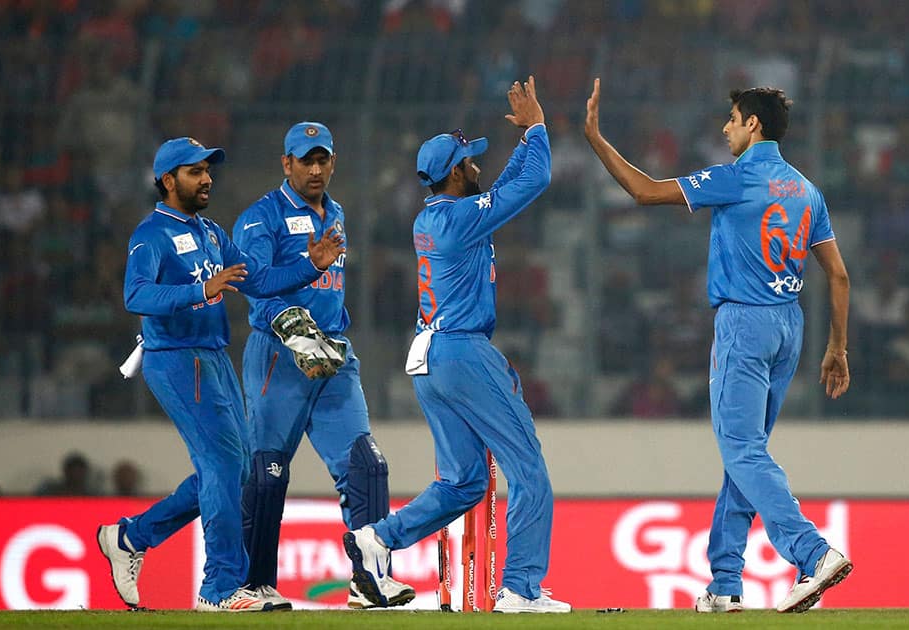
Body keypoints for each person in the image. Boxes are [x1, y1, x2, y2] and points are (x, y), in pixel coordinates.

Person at [584, 79, 853, 614]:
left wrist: (594, 137)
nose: (724, 127)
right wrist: (838, 347)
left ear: (753, 125)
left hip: (744, 324)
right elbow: (839, 277)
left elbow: (644, 190)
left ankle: (813, 552)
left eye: (732, 118)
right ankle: (726, 582)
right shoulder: (806, 190)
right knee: (744, 455)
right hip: (790, 328)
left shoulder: (735, 179)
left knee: (743, 450)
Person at [343, 76, 570, 614]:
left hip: (431, 355)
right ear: (453, 173)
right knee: (529, 468)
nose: (476, 166)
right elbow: (535, 180)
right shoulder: (461, 220)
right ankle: (520, 588)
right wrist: (537, 129)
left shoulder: (438, 215)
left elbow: (503, 192)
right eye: (469, 161)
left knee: (465, 482)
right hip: (462, 351)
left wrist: (519, 144)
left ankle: (377, 540)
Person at [96, 137, 345, 613]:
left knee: (237, 469)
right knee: (226, 467)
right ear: (168, 180)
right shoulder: (152, 234)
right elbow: (135, 295)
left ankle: (131, 537)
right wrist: (199, 289)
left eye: (208, 169)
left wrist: (309, 266)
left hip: (212, 356)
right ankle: (220, 589)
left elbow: (258, 280)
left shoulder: (210, 232)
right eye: (194, 171)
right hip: (176, 358)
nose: (207, 178)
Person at [232, 122, 415, 610]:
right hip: (278, 356)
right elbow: (252, 282)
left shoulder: (336, 213)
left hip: (334, 356)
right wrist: (294, 315)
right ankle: (253, 585)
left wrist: (322, 333)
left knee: (368, 465)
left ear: (333, 162)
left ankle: (370, 579)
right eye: (304, 160)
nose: (315, 170)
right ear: (286, 163)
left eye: (323, 160)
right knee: (268, 472)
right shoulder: (260, 218)